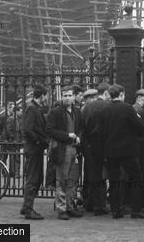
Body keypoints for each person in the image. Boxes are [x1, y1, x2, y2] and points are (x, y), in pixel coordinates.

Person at [100, 84, 144, 219]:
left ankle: (116, 210)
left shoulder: (105, 110)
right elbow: (139, 127)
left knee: (114, 180)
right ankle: (136, 210)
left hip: (111, 151)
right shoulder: (128, 108)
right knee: (136, 179)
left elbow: (100, 131)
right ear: (122, 94)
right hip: (128, 150)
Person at [46, 85, 84, 220]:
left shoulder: (78, 111)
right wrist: (68, 135)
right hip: (62, 149)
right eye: (65, 96)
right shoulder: (55, 112)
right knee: (61, 179)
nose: (67, 98)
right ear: (61, 97)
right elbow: (50, 131)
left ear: (74, 96)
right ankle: (61, 208)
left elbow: (81, 128)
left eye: (69, 95)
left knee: (73, 180)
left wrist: (79, 136)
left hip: (75, 149)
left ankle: (70, 206)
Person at [21, 85, 50, 220]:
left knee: (37, 178)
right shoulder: (32, 109)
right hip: (33, 148)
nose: (47, 98)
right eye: (46, 95)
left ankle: (27, 206)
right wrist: (38, 141)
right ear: (42, 95)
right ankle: (28, 209)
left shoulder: (35, 108)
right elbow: (28, 129)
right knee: (33, 178)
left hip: (35, 148)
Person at [81, 85, 110, 215]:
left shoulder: (87, 108)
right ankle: (101, 205)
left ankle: (90, 202)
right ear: (106, 93)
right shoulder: (107, 106)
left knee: (92, 175)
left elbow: (82, 128)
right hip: (104, 146)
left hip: (89, 147)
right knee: (103, 176)